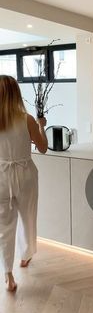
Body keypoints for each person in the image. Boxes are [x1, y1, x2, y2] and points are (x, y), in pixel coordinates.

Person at [0, 75, 48, 292]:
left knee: (3, 227)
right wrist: (41, 125)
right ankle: (25, 255)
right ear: (16, 94)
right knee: (28, 218)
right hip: (25, 175)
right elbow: (43, 148)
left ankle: (8, 275)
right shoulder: (26, 119)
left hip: (1, 175)